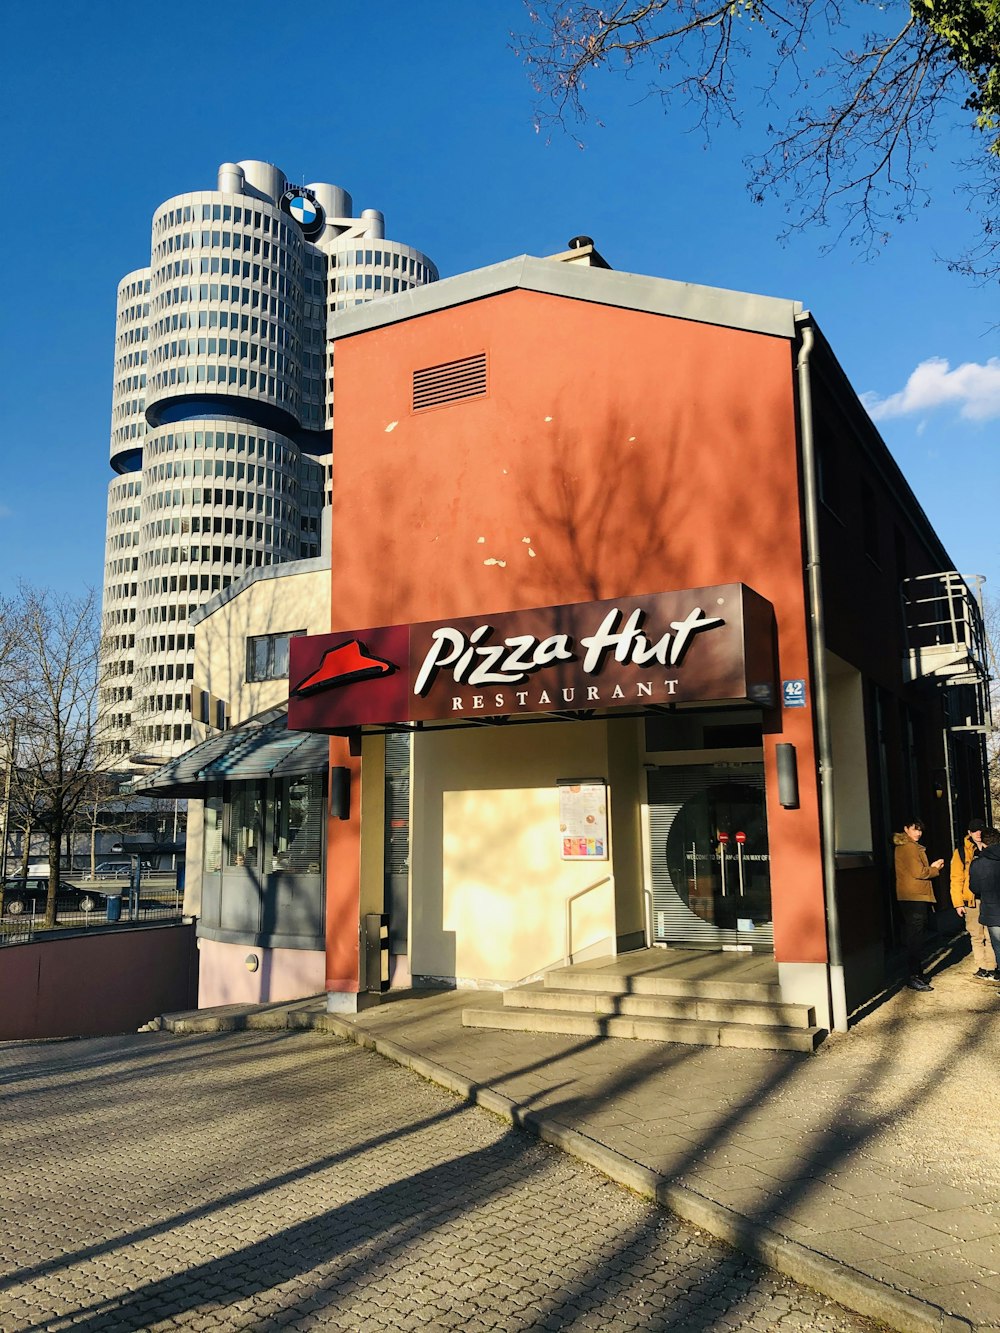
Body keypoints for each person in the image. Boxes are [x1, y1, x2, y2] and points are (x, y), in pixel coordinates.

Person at [893, 819, 945, 992]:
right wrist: (935, 868)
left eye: (920, 830)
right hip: (914, 896)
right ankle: (914, 976)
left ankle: (916, 974)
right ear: (906, 829)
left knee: (915, 935)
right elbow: (919, 872)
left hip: (911, 895)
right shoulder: (909, 847)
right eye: (915, 830)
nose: (918, 833)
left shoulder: (906, 846)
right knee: (915, 936)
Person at [950, 816, 996, 978]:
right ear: (969, 832)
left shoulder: (991, 848)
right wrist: (957, 903)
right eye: (975, 830)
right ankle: (982, 966)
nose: (978, 833)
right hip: (971, 900)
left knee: (991, 934)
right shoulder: (961, 852)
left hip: (989, 897)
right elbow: (956, 878)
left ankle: (992, 966)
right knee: (976, 935)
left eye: (980, 830)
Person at [969, 827, 1000, 980]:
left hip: (991, 910)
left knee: (998, 946)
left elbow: (974, 888)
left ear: (984, 843)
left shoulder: (978, 864)